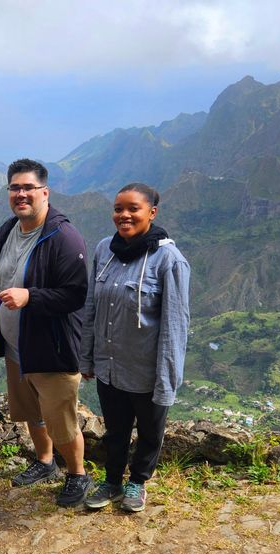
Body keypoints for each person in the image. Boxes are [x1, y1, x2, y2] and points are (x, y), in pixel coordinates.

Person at [80, 183, 190, 513]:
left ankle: (137, 481)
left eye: (133, 209)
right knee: (115, 430)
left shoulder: (168, 260)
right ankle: (112, 480)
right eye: (118, 209)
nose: (124, 215)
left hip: (146, 368)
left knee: (150, 432)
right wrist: (87, 356)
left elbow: (175, 323)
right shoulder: (104, 250)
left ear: (152, 213)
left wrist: (167, 378)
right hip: (110, 365)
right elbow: (91, 307)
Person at [0, 158, 90, 507]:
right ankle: (45, 462)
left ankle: (78, 474)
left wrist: (30, 296)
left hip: (51, 348)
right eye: (15, 188)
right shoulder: (7, 231)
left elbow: (76, 293)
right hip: (18, 347)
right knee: (32, 412)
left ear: (44, 192)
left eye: (28, 188)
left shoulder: (63, 236)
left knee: (60, 419)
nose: (21, 194)